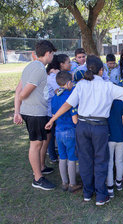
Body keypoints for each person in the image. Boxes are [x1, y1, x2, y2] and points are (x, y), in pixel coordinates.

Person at [45, 55, 123, 206]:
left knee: (85, 160)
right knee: (101, 160)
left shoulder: (81, 85)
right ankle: (101, 195)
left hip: (82, 126)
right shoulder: (108, 86)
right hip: (99, 127)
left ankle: (87, 192)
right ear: (101, 70)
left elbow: (67, 105)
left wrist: (51, 120)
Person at [14, 40, 56, 190]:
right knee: (36, 144)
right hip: (35, 113)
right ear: (47, 53)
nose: (53, 57)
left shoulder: (30, 66)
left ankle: (41, 168)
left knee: (40, 142)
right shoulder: (38, 69)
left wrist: (17, 111)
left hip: (33, 112)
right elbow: (23, 93)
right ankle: (37, 178)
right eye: (52, 54)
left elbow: (17, 90)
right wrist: (19, 107)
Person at [51, 71, 81, 192]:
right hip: (69, 130)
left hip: (58, 130)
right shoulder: (70, 96)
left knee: (62, 156)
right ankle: (73, 183)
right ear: (69, 83)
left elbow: (54, 114)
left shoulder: (55, 96)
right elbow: (74, 120)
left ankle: (64, 182)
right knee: (72, 156)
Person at [46, 54, 72, 163]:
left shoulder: (60, 74)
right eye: (68, 62)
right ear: (61, 64)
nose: (70, 64)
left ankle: (59, 153)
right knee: (52, 133)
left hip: (58, 108)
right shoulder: (54, 77)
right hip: (54, 108)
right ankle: (52, 154)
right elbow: (59, 92)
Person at [107, 100, 123, 198]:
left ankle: (110, 187)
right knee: (119, 161)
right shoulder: (120, 103)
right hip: (120, 136)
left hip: (109, 137)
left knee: (110, 163)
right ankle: (119, 183)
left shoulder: (104, 102)